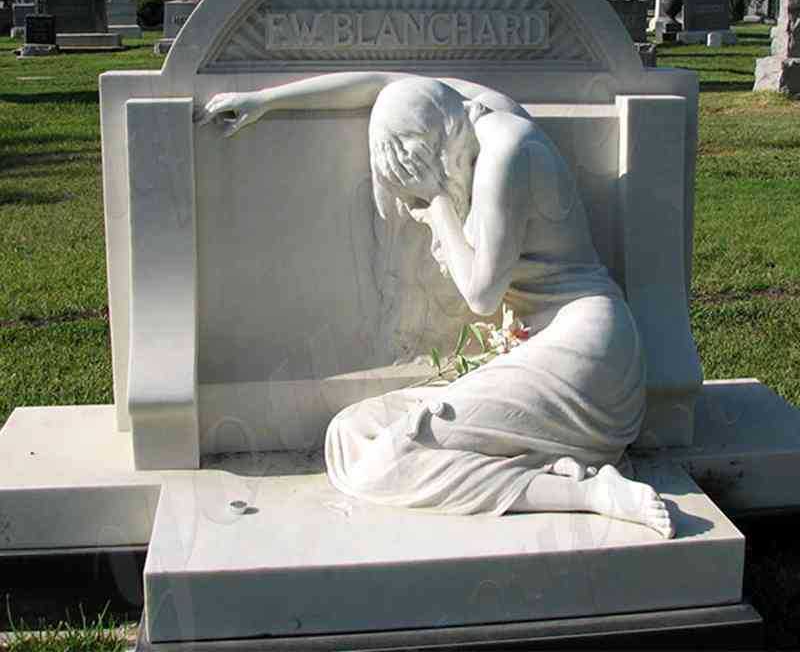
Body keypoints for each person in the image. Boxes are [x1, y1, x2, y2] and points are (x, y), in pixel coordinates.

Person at [199, 72, 674, 538]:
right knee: (348, 435)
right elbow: (378, 81)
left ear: (437, 158)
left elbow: (482, 296)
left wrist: (438, 206)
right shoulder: (468, 108)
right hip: (543, 350)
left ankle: (594, 495)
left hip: (587, 360)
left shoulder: (505, 156)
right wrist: (267, 100)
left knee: (386, 463)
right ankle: (554, 466)